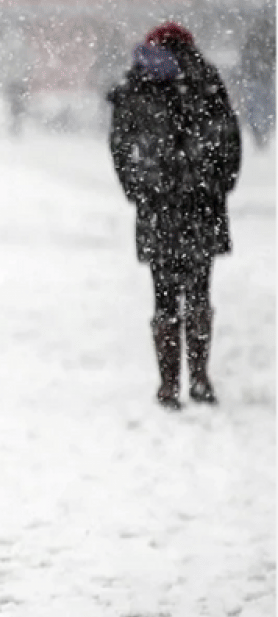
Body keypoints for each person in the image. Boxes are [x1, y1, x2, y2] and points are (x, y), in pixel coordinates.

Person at [107, 22, 241, 410]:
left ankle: (168, 385)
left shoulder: (139, 82)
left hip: (158, 206)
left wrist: (138, 189)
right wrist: (218, 185)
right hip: (203, 205)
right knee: (199, 291)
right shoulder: (207, 79)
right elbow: (229, 140)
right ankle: (199, 377)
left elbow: (120, 144)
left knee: (163, 297)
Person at [238, 11, 275, 148]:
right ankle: (263, 133)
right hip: (263, 78)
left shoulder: (253, 40)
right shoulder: (268, 40)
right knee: (265, 107)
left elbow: (245, 59)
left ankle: (259, 134)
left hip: (256, 78)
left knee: (256, 108)